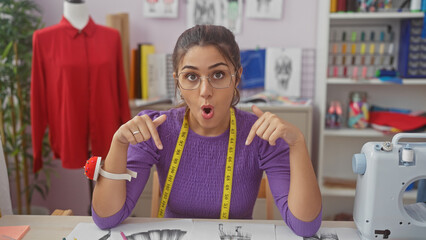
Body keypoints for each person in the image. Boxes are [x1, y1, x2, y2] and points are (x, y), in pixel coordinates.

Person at [91, 25, 322, 237]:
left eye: (218, 75)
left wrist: (298, 144)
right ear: (178, 82)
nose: (205, 91)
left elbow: (305, 225)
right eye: (191, 76)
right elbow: (106, 218)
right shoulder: (156, 129)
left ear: (237, 77)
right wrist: (119, 144)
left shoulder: (260, 135)